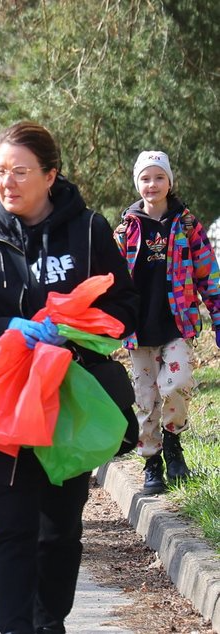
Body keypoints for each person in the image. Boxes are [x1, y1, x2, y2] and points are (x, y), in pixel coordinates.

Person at [0, 121, 139, 633]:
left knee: (59, 532)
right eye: (0, 171)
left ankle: (51, 621)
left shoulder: (87, 231)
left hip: (68, 400)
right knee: (13, 530)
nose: (7, 182)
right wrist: (5, 328)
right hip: (1, 405)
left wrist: (74, 329)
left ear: (50, 175)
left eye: (21, 172)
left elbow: (125, 308)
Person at [114, 151, 220, 494]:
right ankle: (152, 463)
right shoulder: (127, 229)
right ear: (137, 183)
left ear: (169, 182)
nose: (152, 184)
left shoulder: (186, 224)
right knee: (145, 398)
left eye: (159, 177)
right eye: (145, 178)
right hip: (139, 329)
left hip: (177, 324)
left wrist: (217, 316)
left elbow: (208, 274)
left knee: (176, 383)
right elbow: (109, 279)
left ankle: (174, 447)